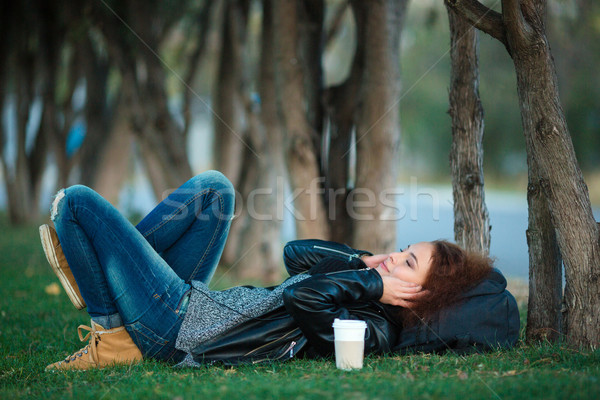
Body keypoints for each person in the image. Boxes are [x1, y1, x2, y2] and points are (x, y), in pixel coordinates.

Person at [39, 171, 493, 370]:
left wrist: (371, 283)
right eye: (401, 250)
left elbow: (303, 297)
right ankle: (95, 272)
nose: (392, 257)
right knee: (216, 191)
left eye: (407, 263)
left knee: (74, 203)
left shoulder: (373, 329)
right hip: (194, 301)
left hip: (178, 330)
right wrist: (362, 261)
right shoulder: (364, 282)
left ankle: (110, 326)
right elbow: (297, 255)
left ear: (425, 296)